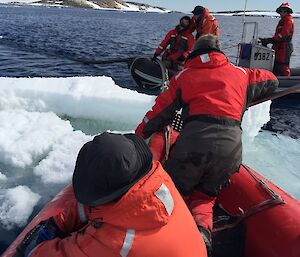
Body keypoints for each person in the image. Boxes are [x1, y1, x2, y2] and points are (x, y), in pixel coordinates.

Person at [135, 35, 278, 256]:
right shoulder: (241, 74)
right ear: (220, 52)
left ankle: (166, 242)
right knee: (205, 197)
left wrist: (138, 137)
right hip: (230, 150)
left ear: (194, 53)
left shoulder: (184, 77)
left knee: (173, 194)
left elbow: (158, 115)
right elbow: (272, 81)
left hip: (193, 146)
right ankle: (202, 233)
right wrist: (243, 95)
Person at [13, 132, 207, 257]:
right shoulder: (156, 177)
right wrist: (61, 221)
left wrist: (37, 247)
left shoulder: (118, 241)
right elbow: (102, 207)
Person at [260, 2, 294, 76]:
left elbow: (283, 35)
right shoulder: (282, 20)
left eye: (284, 11)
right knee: (276, 64)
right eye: (281, 11)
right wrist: (269, 40)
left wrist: (270, 40)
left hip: (285, 47)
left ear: (288, 12)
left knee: (283, 65)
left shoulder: (288, 20)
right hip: (279, 47)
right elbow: (278, 36)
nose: (282, 13)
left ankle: (286, 81)